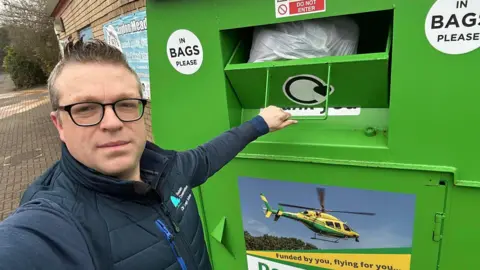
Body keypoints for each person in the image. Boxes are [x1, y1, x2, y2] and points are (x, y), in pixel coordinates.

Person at [0, 39, 296, 270]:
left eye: (126, 103)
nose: (112, 123)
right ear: (59, 124)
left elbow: (206, 157)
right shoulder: (55, 222)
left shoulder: (167, 169)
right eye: (86, 109)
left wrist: (260, 123)